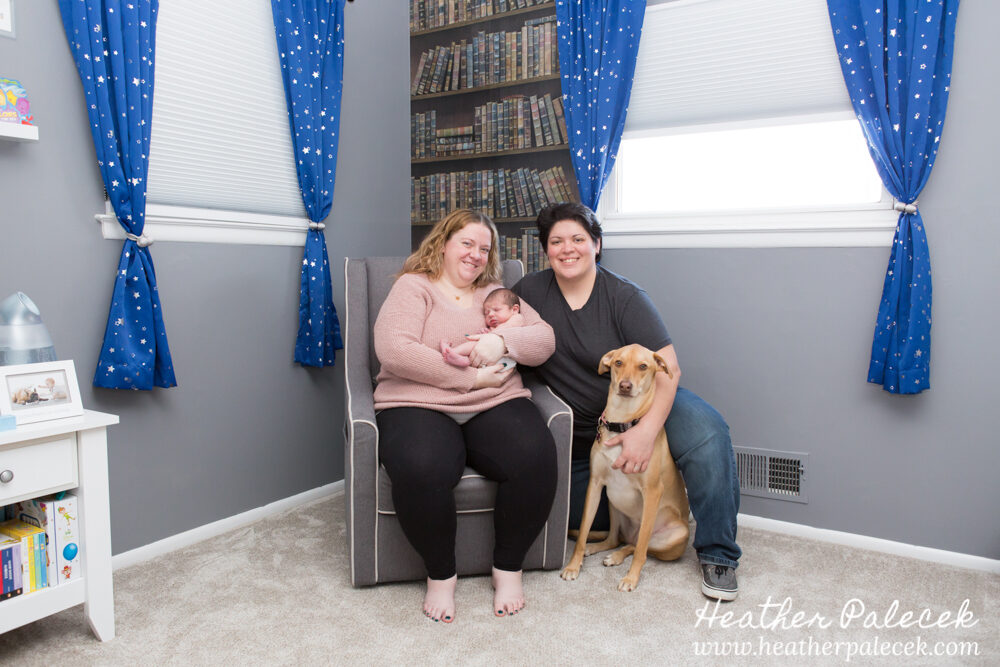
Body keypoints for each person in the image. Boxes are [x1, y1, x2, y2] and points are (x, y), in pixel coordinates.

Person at [510, 202, 742, 601]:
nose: (568, 249)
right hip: (586, 432)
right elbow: (497, 324)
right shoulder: (529, 292)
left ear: (597, 245)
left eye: (579, 239)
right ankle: (621, 533)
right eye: (557, 241)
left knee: (708, 431)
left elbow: (670, 367)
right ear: (546, 249)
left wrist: (646, 432)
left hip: (647, 404)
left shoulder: (624, 296)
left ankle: (719, 553)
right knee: (593, 518)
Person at [373, 209, 558, 623]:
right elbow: (395, 350)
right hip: (417, 401)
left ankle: (507, 568)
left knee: (534, 455)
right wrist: (472, 378)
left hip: (494, 401)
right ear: (443, 243)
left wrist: (501, 339)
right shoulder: (413, 286)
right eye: (467, 243)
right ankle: (441, 575)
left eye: (484, 248)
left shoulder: (495, 294)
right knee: (423, 466)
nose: (476, 255)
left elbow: (544, 338)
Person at [441, 288, 523, 368]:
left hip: (507, 361)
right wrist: (485, 333)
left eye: (496, 310)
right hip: (489, 364)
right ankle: (462, 359)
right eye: (486, 313)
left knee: (474, 345)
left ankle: (453, 352)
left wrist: (489, 335)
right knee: (478, 347)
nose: (490, 315)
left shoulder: (517, 319)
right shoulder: (494, 326)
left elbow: (507, 331)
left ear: (514, 309)